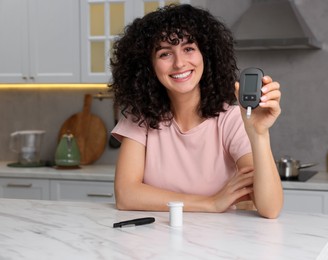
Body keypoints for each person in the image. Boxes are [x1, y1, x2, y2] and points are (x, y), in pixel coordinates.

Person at [109, 4, 283, 218]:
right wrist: (211, 203)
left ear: (206, 55)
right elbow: (126, 196)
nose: (179, 63)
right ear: (148, 66)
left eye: (189, 49)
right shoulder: (141, 119)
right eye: (165, 54)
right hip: (155, 242)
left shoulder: (232, 119)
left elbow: (270, 208)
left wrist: (259, 134)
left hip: (218, 245)